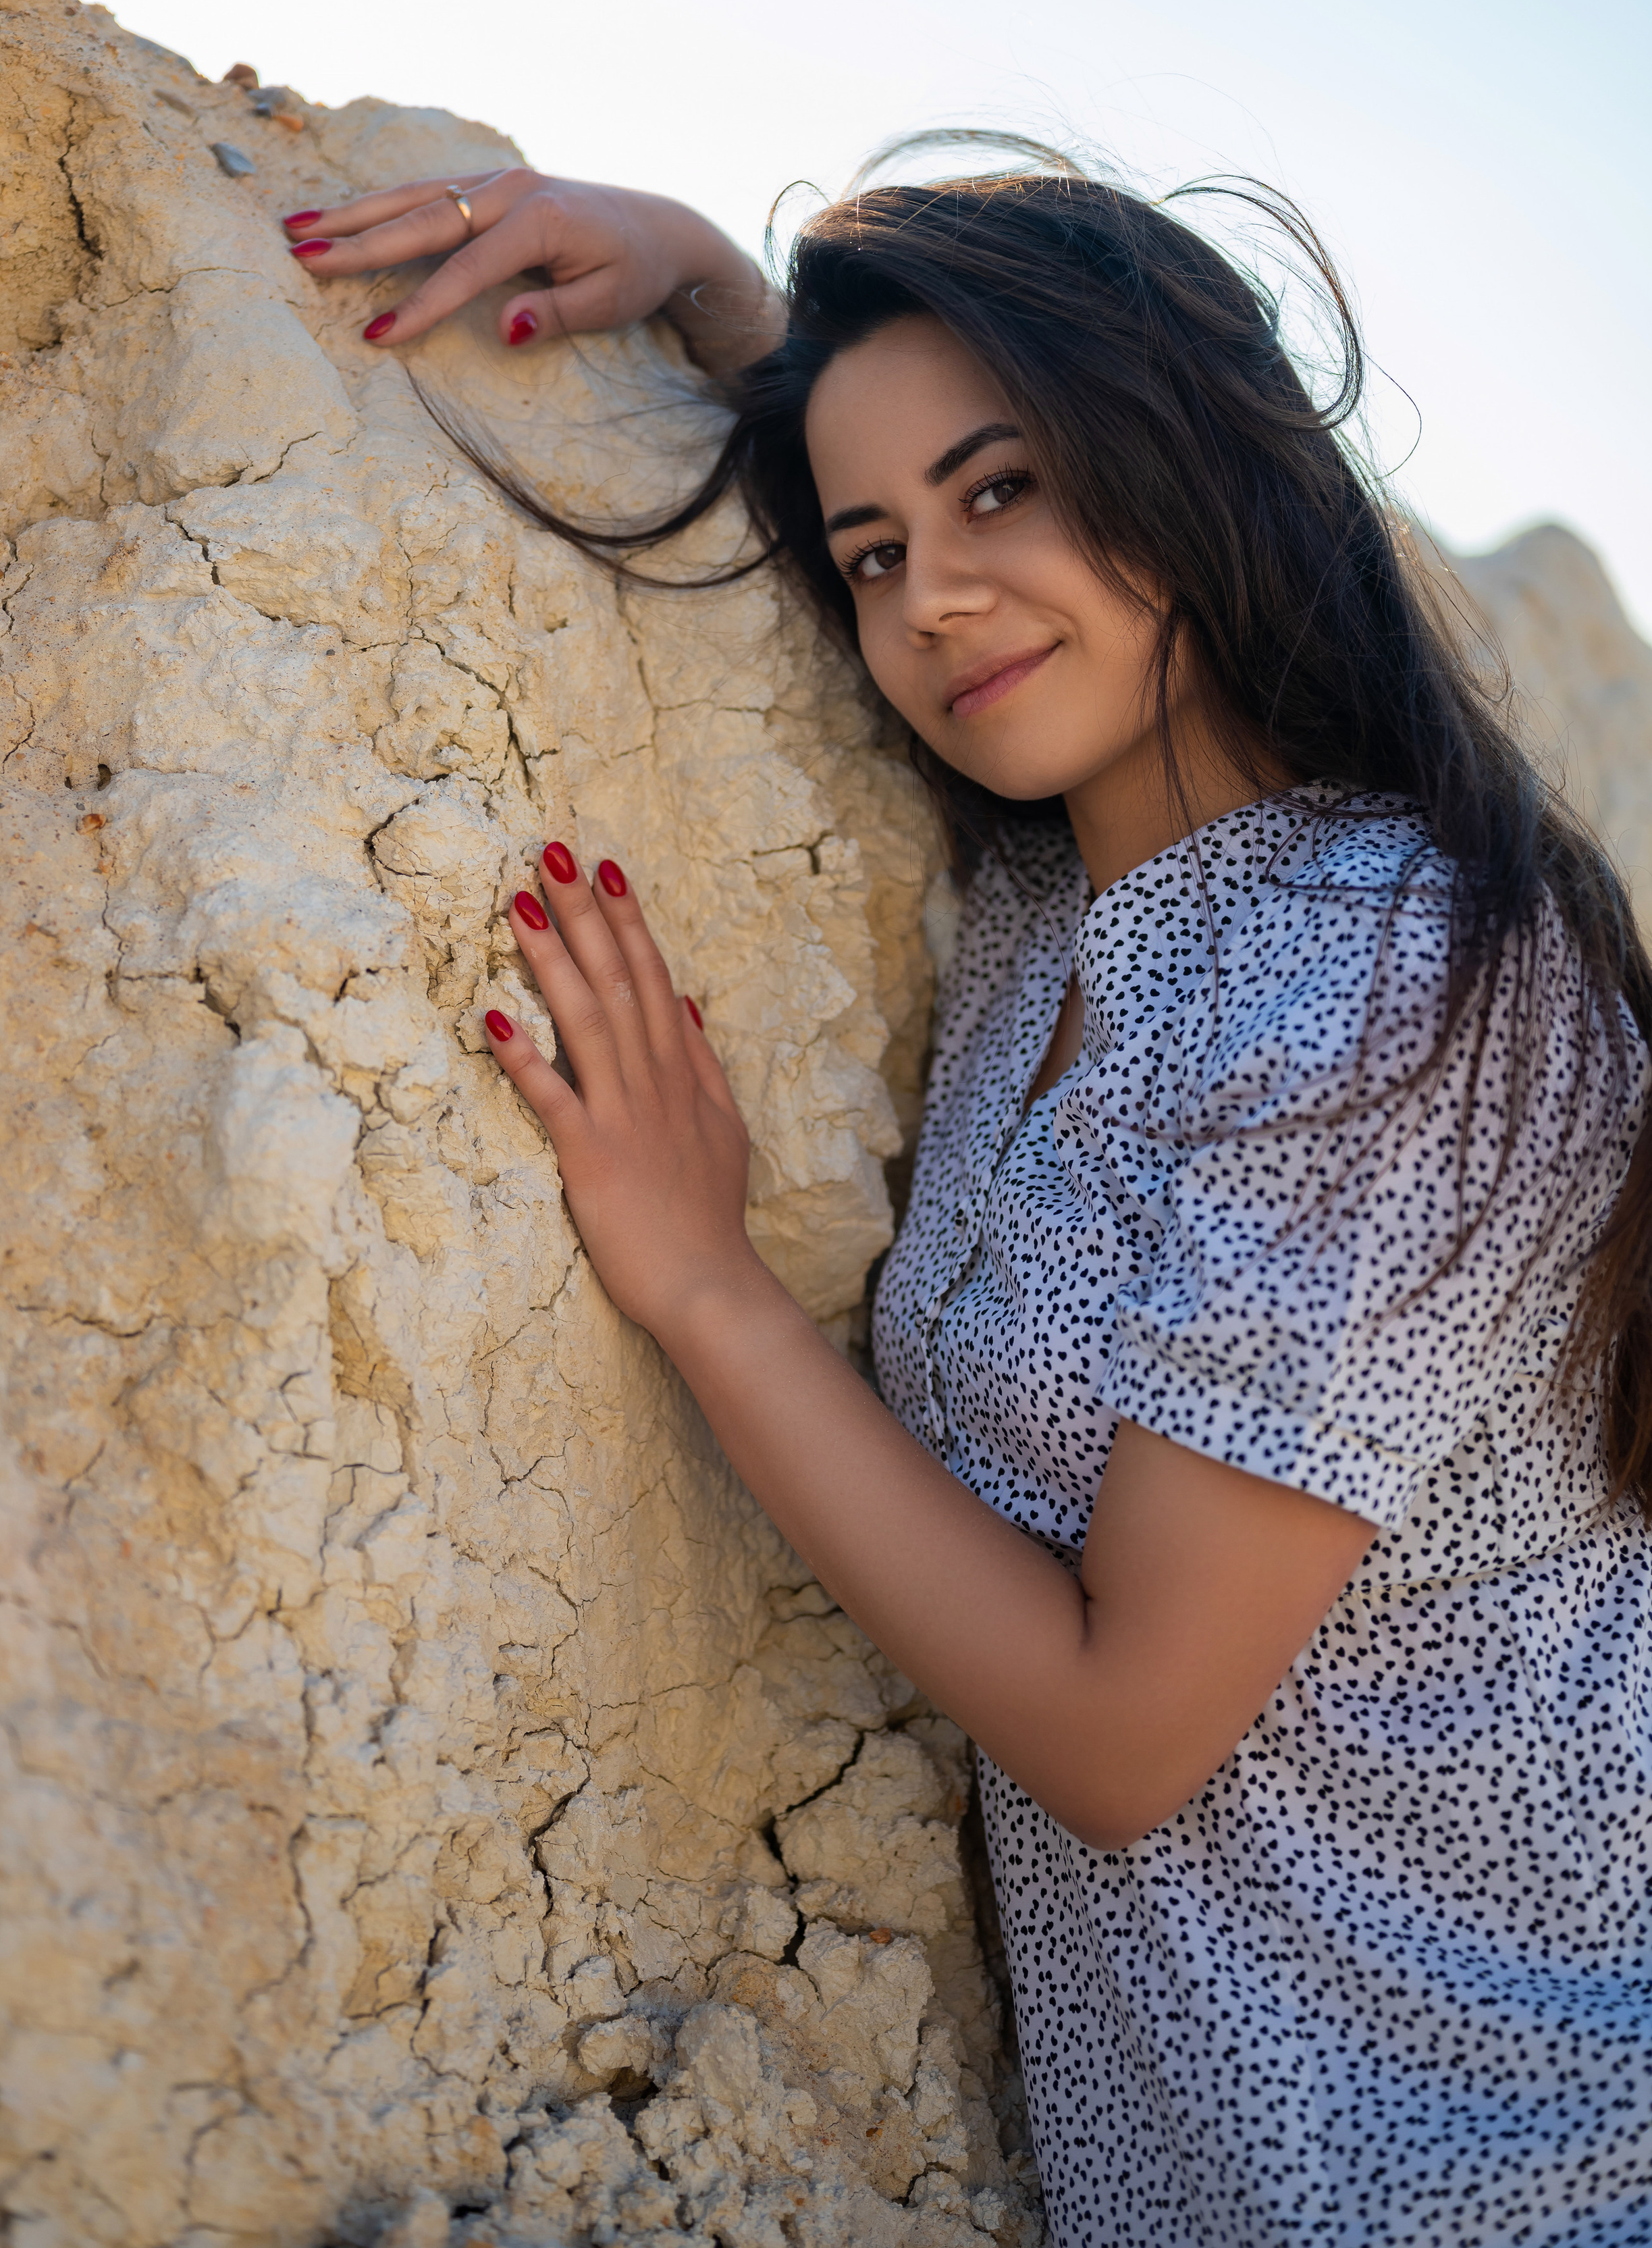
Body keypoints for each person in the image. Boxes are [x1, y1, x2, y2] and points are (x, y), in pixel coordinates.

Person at [282, 153, 1652, 2247]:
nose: (928, 598)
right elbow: (892, 482)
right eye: (872, 551)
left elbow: (1120, 1728)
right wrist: (712, 284)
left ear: (1176, 445)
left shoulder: (1402, 971)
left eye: (1001, 489)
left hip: (1511, 2175)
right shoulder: (1051, 907)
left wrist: (708, 1286)